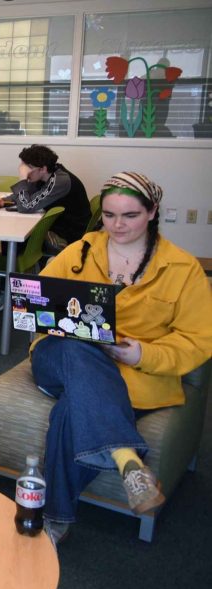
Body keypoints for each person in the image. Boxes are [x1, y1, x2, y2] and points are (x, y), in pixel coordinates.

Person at [28, 172, 212, 545]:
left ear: (152, 212)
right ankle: (128, 457)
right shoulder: (81, 250)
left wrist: (143, 352)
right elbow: (39, 298)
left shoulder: (182, 269)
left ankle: (54, 519)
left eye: (129, 215)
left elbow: (197, 341)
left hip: (133, 371)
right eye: (109, 215)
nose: (117, 225)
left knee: (70, 409)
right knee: (81, 345)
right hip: (59, 357)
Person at [0, 144, 93, 312]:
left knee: (13, 237)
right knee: (14, 236)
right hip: (57, 225)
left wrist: (22, 180)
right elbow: (31, 194)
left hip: (70, 234)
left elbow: (27, 206)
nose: (25, 173)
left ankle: (8, 290)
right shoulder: (46, 176)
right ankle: (12, 282)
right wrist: (5, 199)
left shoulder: (60, 180)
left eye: (28, 170)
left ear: (43, 168)